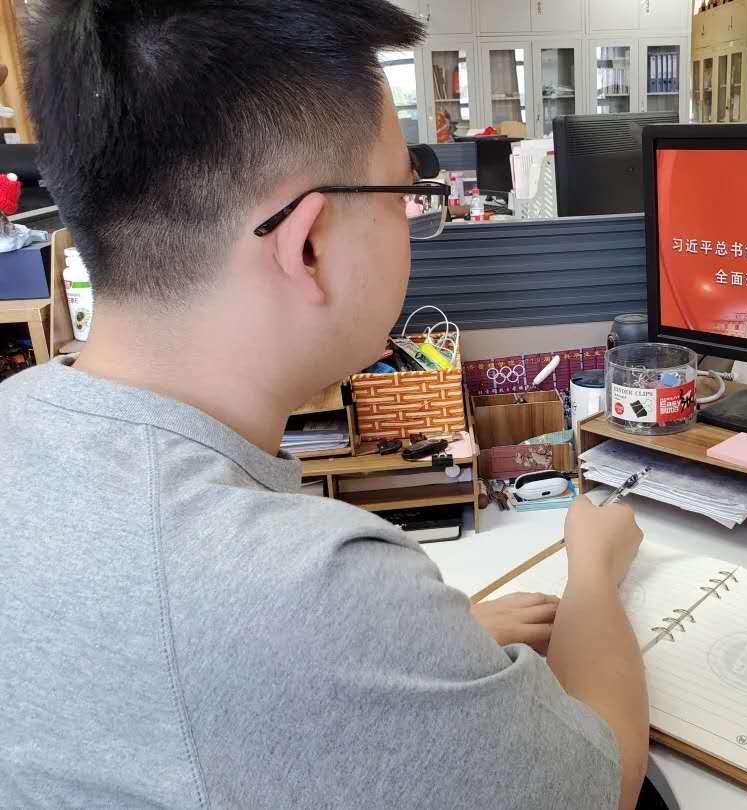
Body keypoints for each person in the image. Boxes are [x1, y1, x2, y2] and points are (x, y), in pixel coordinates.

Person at [0, 1, 650, 808]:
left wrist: (392, 659)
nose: (412, 219)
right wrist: (592, 567)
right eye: (405, 192)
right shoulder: (306, 589)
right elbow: (605, 779)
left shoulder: (18, 423)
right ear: (307, 245)